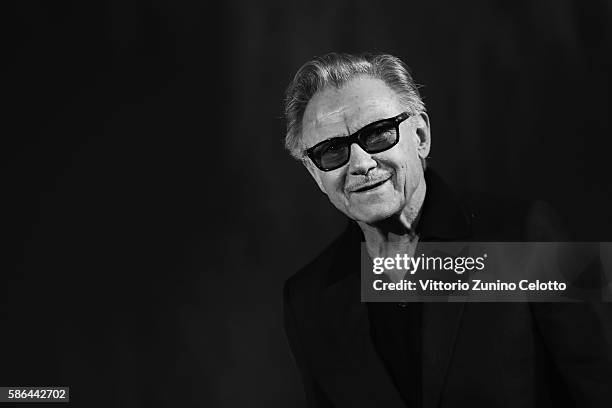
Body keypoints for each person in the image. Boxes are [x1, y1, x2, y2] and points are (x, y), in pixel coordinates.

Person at [282, 52, 612, 408]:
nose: (361, 163)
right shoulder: (308, 299)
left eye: (378, 133)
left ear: (421, 135)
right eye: (332, 151)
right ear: (316, 174)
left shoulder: (527, 233)